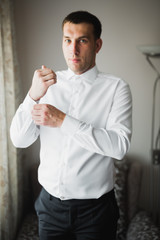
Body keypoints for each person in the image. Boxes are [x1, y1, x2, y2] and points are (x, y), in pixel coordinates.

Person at [10, 10, 132, 240]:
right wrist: (32, 96)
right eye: (67, 40)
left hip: (95, 212)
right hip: (49, 208)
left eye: (82, 41)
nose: (73, 49)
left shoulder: (117, 88)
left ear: (98, 44)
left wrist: (63, 121)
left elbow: (120, 146)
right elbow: (19, 139)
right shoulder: (46, 85)